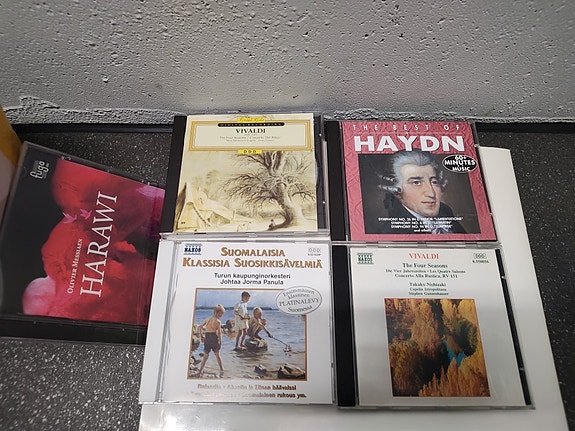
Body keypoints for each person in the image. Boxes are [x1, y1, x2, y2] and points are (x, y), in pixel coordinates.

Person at [378, 150, 466, 234]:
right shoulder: (390, 232)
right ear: (396, 191)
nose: (431, 193)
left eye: (434, 182)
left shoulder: (445, 211)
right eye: (416, 183)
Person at [197, 304, 225, 377]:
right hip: (213, 338)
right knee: (217, 355)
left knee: (205, 356)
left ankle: (201, 370)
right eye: (220, 313)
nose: (221, 315)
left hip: (207, 338)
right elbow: (219, 333)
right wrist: (220, 342)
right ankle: (222, 369)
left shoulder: (208, 319)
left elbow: (200, 327)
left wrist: (201, 336)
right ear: (216, 312)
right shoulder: (218, 321)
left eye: (222, 314)